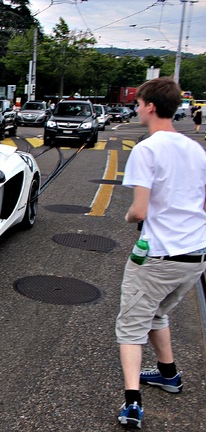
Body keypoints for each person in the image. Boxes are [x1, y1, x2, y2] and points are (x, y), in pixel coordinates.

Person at [115, 76, 206, 429]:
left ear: (151, 107)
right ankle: (168, 374)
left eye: (138, 104)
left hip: (159, 257)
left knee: (130, 327)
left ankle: (132, 403)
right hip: (194, 257)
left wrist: (129, 216)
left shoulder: (147, 149)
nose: (136, 109)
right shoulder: (195, 149)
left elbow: (139, 211)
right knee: (157, 314)